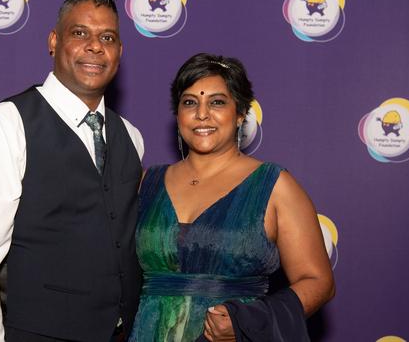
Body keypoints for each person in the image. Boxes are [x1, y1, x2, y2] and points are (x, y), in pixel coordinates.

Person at [0, 0, 144, 342]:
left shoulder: (131, 136)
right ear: (54, 41)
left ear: (119, 51)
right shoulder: (5, 125)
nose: (95, 46)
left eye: (108, 37)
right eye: (80, 32)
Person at [129, 53, 335, 341]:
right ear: (177, 115)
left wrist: (247, 323)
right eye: (190, 102)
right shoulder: (145, 183)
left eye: (217, 102)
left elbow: (318, 281)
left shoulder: (274, 186)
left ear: (240, 114)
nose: (202, 114)